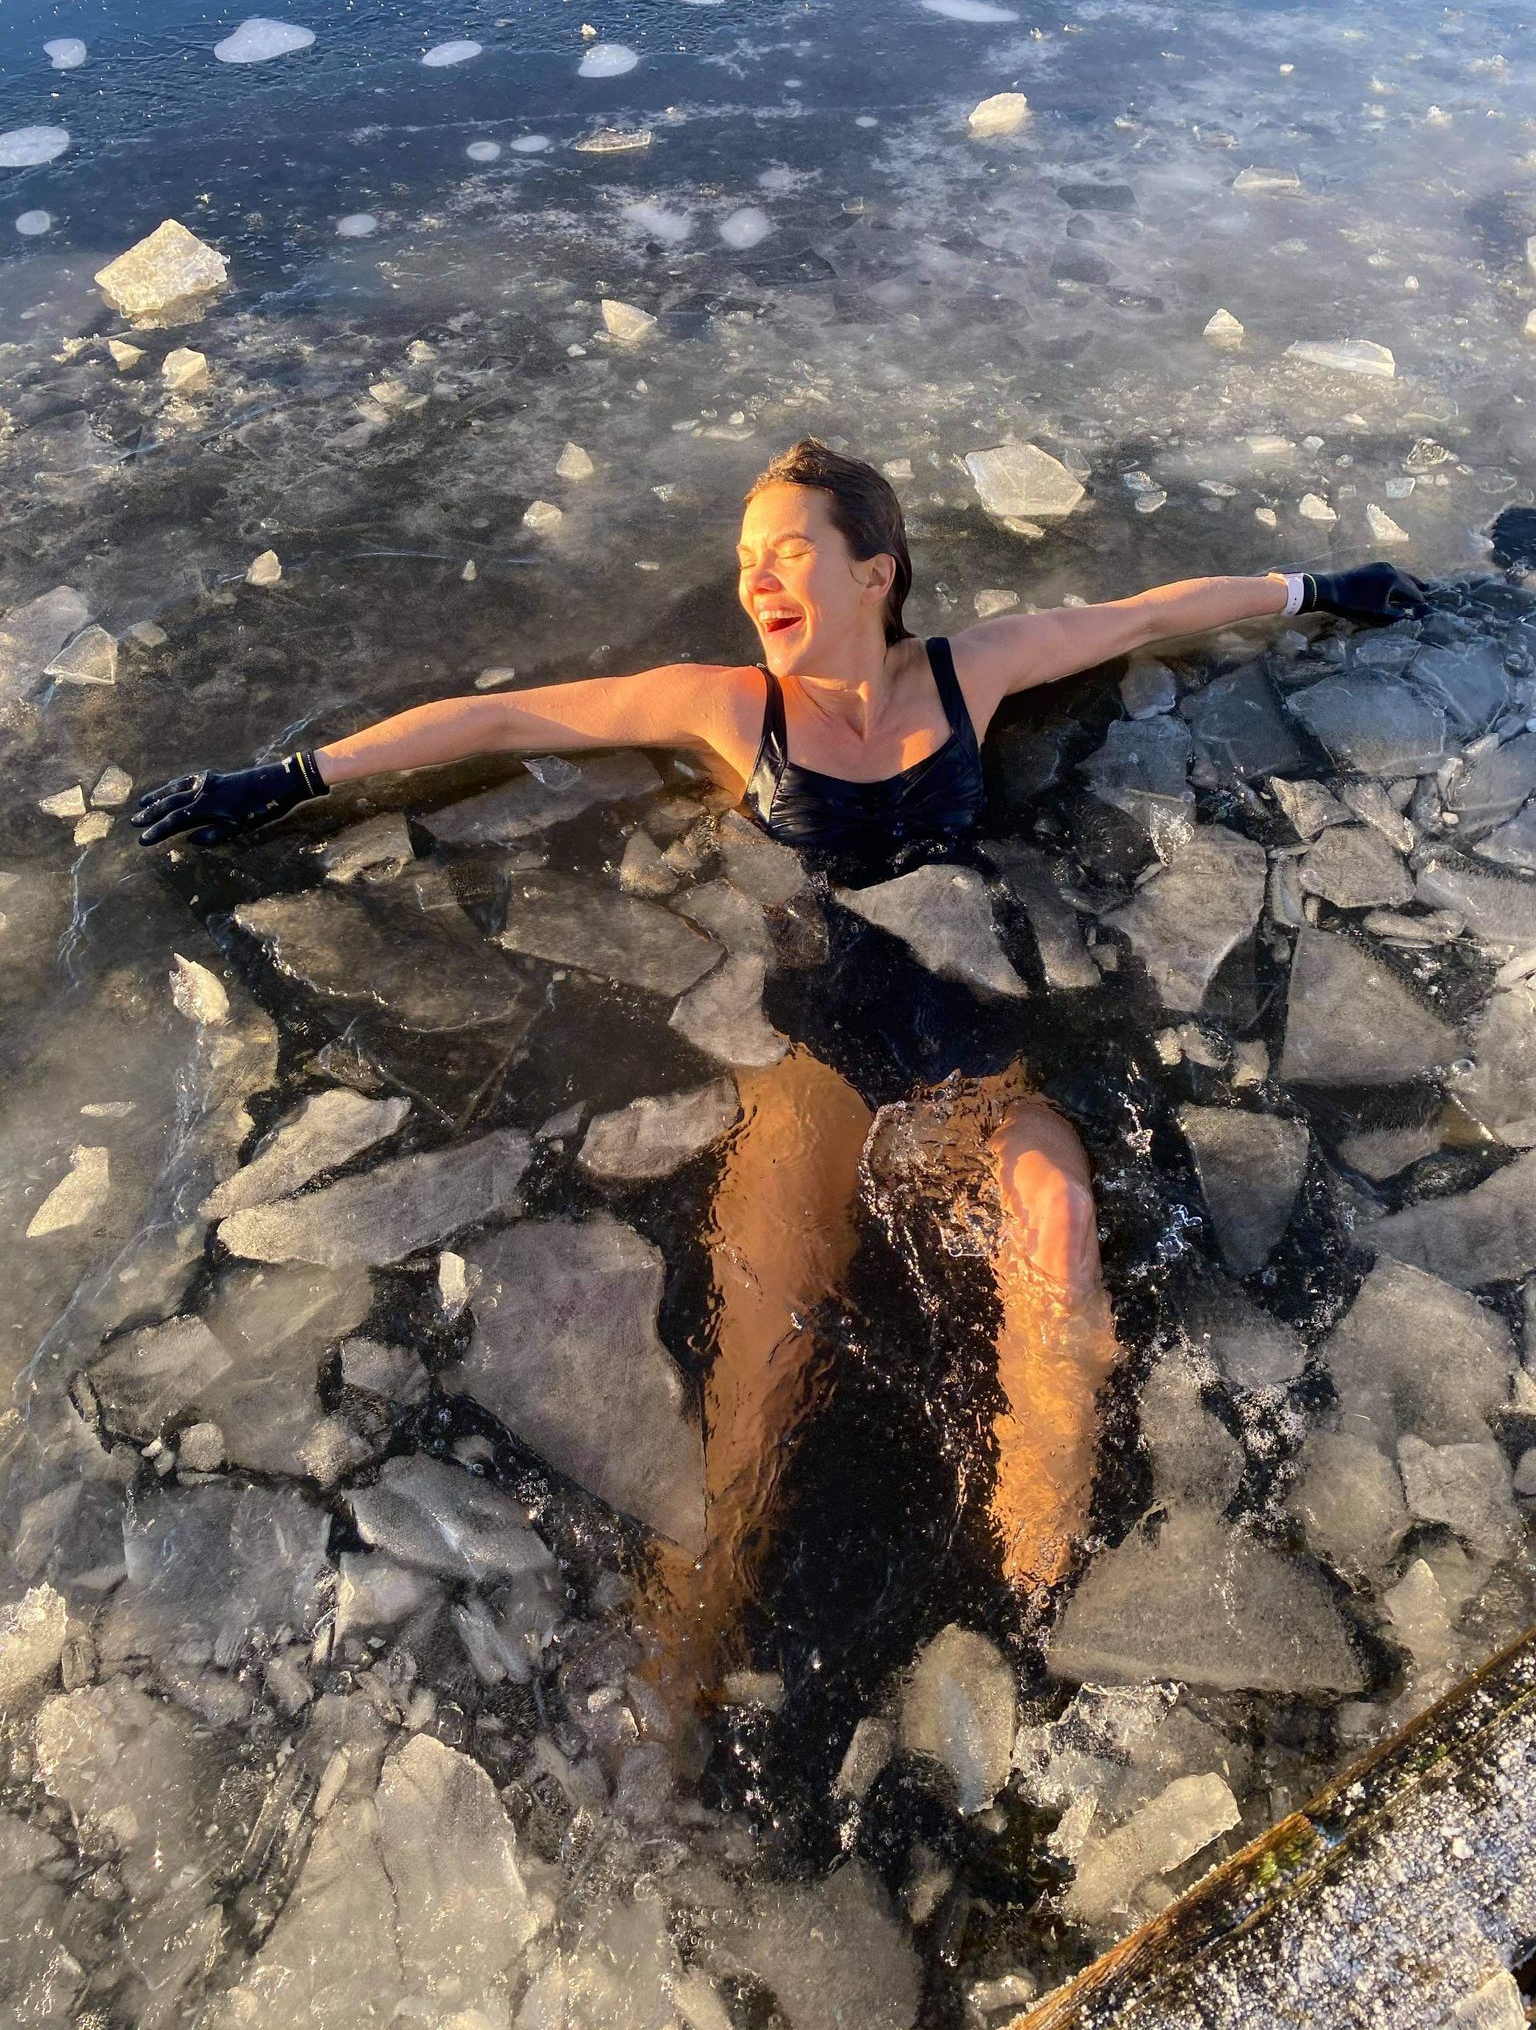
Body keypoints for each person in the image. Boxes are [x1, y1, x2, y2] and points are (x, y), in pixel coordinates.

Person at [134, 439, 1428, 1701]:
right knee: (757, 1371)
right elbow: (516, 714)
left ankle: (1044, 1613)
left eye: (788, 550)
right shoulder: (732, 706)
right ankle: (677, 1668)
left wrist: (1318, 592)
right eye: (748, 557)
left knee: (1062, 1217)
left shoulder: (968, 673)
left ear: (875, 570)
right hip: (814, 1060)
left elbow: (1146, 611)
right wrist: (294, 775)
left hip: (970, 1055)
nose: (757, 578)